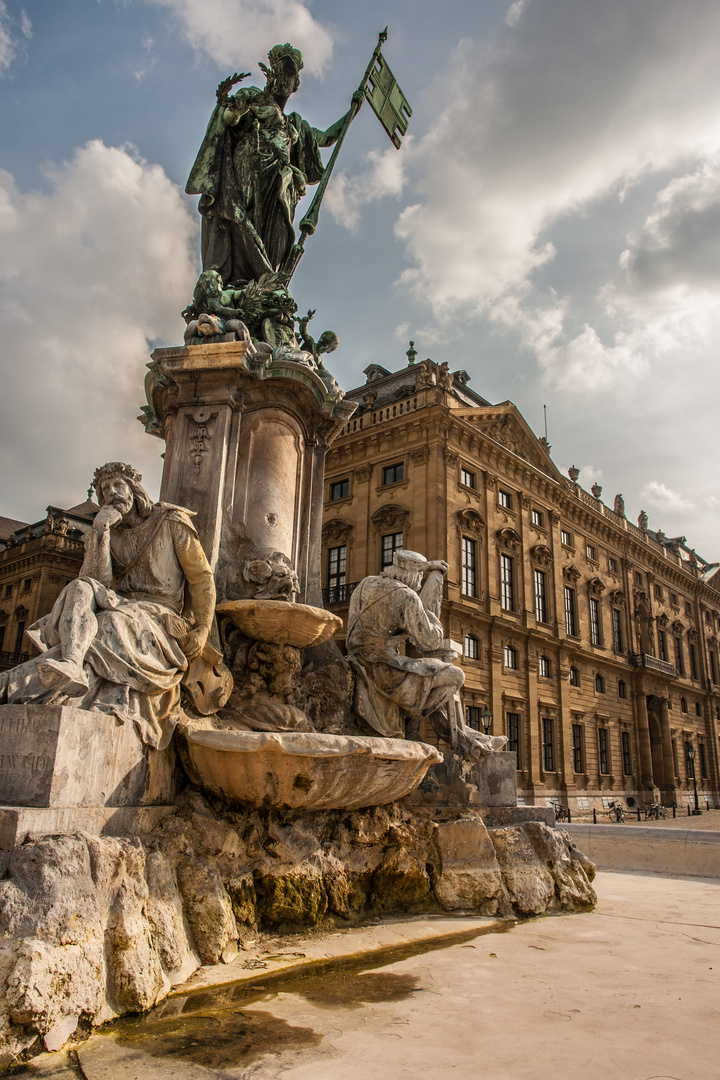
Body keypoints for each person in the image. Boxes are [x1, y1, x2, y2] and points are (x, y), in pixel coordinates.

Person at [0, 462, 224, 749]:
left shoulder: (170, 521)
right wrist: (102, 532)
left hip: (160, 617)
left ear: (135, 488)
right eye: (105, 490)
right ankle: (70, 664)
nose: (112, 493)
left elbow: (202, 578)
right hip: (121, 605)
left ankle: (12, 683)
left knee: (106, 626)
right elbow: (97, 582)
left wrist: (203, 628)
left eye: (119, 486)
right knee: (79, 588)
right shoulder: (110, 530)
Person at [186, 43, 363, 287]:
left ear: (296, 83)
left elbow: (327, 138)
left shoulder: (296, 125)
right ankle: (240, 283)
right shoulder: (254, 99)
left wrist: (352, 111)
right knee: (243, 223)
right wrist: (237, 111)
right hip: (249, 172)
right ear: (271, 73)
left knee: (277, 236)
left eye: (289, 74)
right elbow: (229, 118)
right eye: (279, 71)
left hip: (281, 183)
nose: (283, 78)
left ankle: (265, 284)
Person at [346, 549, 506, 759]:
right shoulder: (406, 596)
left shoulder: (365, 584)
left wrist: (431, 568)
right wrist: (429, 609)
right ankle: (419, 729)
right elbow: (429, 641)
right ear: (413, 575)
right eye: (420, 577)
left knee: (428, 677)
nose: (420, 582)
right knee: (453, 676)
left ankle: (468, 738)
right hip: (383, 668)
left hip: (356, 658)